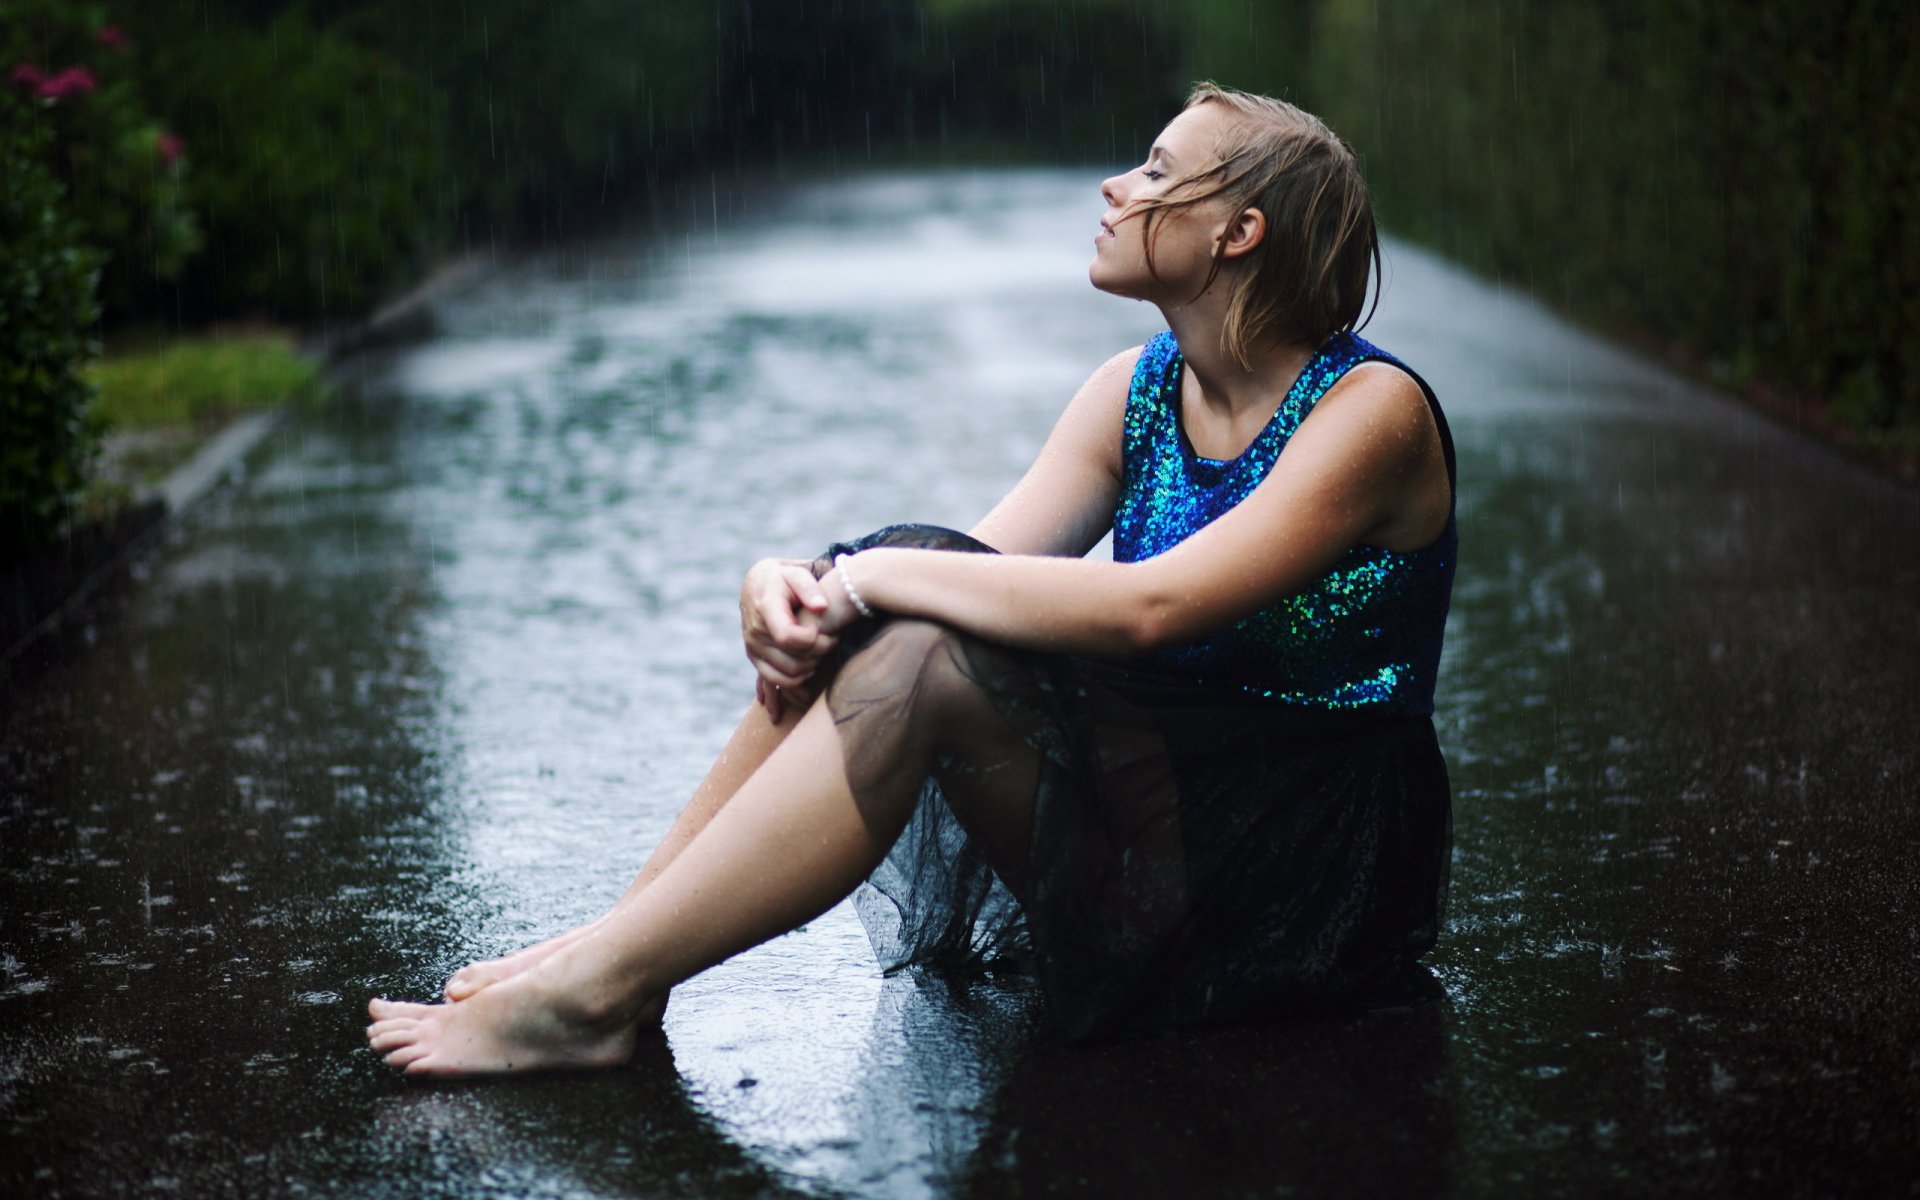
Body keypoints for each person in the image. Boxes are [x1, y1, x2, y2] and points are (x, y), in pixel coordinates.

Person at [366, 82, 1457, 1076]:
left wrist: (869, 574)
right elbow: (976, 569)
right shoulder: (1133, 390)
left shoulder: (1369, 414)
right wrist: (804, 583)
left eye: (1161, 172)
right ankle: (617, 961)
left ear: (1239, 232)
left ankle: (596, 982)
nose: (1119, 188)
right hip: (1156, 817)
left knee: (911, 616)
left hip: (1304, 874)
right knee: (893, 610)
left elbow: (1146, 609)